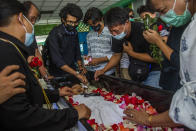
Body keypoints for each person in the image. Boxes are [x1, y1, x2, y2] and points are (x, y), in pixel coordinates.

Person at [0, 0, 91, 130]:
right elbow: (20, 117)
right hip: (58, 73)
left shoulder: (14, 48)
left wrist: (56, 93)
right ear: (21, 18)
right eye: (32, 20)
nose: (32, 25)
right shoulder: (6, 52)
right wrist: (72, 114)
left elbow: (29, 94)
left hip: (70, 73)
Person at [124, 0, 196, 130]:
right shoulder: (183, 23)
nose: (162, 17)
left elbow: (190, 108)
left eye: (162, 10)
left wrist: (149, 120)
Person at [95, 7, 161, 89]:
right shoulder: (116, 36)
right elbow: (116, 55)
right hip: (136, 70)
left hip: (153, 71)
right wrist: (103, 70)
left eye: (116, 31)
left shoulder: (145, 31)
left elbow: (156, 58)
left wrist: (131, 53)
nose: (114, 34)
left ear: (127, 22)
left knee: (152, 95)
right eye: (111, 31)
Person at [142, 0, 191, 91]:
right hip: (171, 83)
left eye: (163, 10)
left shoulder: (192, 26)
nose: (163, 16)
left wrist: (158, 41)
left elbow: (182, 63)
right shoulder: (179, 23)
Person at [45, 3, 88, 85]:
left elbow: (77, 52)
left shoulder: (74, 32)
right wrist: (76, 74)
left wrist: (80, 67)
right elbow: (57, 61)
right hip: (57, 74)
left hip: (72, 72)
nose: (73, 25)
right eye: (70, 22)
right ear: (63, 20)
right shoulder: (55, 34)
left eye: (76, 23)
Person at [23, 1, 52, 79]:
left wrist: (45, 75)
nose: (33, 23)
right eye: (32, 19)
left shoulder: (30, 35)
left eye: (35, 20)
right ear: (21, 17)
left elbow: (36, 52)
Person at [83, 7, 115, 75]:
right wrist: (88, 60)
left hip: (108, 71)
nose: (93, 26)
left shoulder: (111, 32)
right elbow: (90, 52)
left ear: (101, 18)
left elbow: (116, 54)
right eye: (90, 25)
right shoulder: (89, 35)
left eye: (94, 23)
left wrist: (100, 60)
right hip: (93, 71)